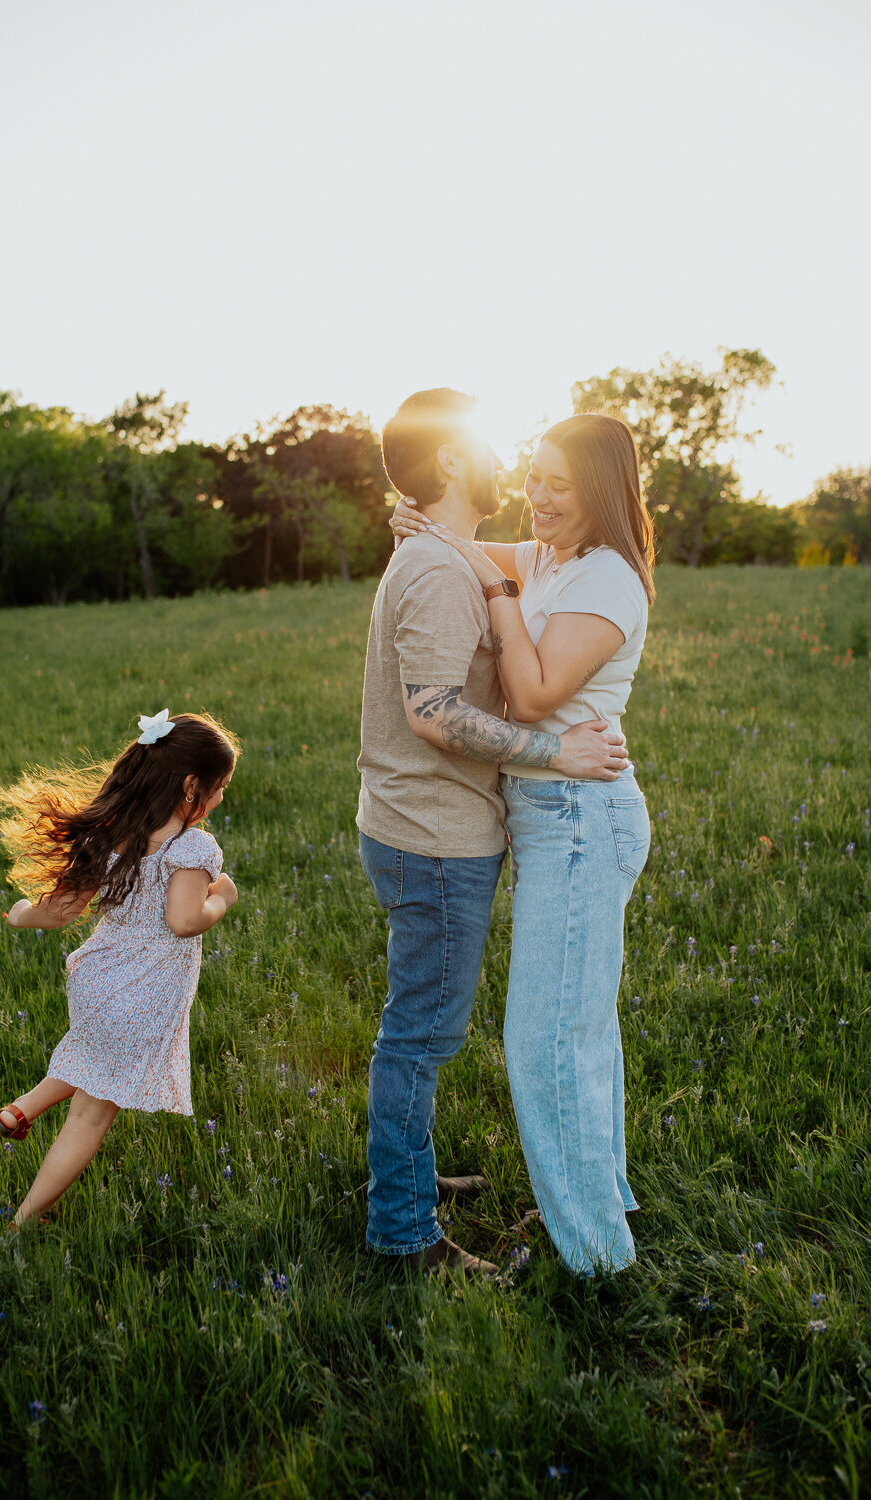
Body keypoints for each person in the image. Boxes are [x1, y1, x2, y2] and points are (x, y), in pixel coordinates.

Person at [358, 389, 630, 1277]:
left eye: (552, 476)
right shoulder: (442, 567)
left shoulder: (478, 557)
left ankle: (418, 1178)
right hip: (434, 832)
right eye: (500, 448)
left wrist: (444, 540)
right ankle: (402, 1228)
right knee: (427, 1034)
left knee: (450, 1029)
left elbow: (491, 585)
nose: (518, 472)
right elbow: (435, 710)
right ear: (450, 460)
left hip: (457, 824)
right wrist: (552, 751)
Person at [0, 709, 239, 1231]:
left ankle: (18, 1111)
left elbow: (59, 913)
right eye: (220, 788)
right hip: (144, 993)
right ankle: (23, 1223)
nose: (220, 799)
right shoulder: (191, 847)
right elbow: (184, 920)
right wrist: (223, 899)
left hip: (98, 981)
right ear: (192, 786)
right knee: (90, 1113)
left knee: (94, 1055)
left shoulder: (112, 834)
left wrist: (20, 913)